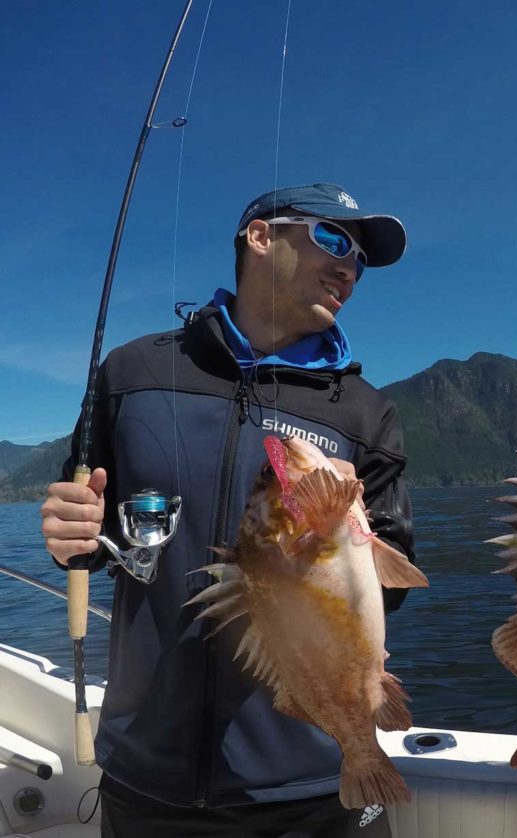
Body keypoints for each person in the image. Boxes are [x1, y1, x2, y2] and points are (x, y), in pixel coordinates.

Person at [39, 183, 416, 837]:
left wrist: (348, 538)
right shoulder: (131, 372)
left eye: (360, 257)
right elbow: (90, 532)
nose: (349, 267)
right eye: (333, 238)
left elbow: (399, 578)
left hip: (315, 781)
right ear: (262, 238)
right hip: (146, 778)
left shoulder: (364, 412)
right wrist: (69, 531)